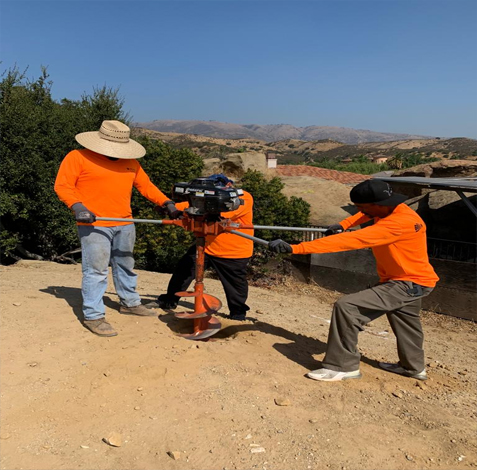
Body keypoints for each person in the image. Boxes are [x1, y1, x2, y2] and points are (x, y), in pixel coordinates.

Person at [268, 179, 439, 382]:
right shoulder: (392, 208)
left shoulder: (397, 224)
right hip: (416, 281)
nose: (359, 210)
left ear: (379, 204)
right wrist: (343, 224)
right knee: (406, 323)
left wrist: (296, 248)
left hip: (405, 283)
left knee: (347, 307)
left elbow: (350, 241)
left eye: (361, 206)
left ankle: (343, 366)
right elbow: (365, 214)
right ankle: (413, 367)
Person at [54, 120, 182, 337]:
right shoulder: (77, 156)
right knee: (96, 271)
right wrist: (77, 207)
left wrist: (167, 203)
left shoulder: (130, 161)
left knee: (126, 264)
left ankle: (130, 303)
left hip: (125, 222)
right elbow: (63, 185)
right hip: (94, 224)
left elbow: (146, 186)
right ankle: (93, 315)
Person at [148, 174, 254, 321]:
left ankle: (238, 313)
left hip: (233, 252)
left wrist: (187, 210)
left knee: (235, 285)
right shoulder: (209, 197)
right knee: (183, 271)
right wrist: (171, 207)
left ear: (228, 185)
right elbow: (194, 205)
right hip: (206, 246)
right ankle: (168, 301)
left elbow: (221, 212)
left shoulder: (243, 198)